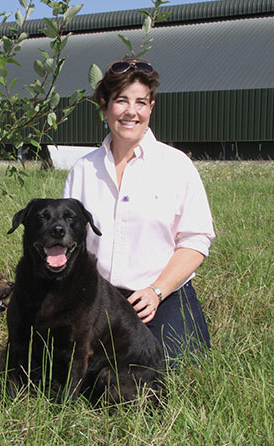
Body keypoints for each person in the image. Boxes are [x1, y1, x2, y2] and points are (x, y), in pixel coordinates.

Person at [63, 57, 215, 360]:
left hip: (163, 294)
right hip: (99, 296)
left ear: (151, 108)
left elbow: (196, 241)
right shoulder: (82, 170)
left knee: (169, 369)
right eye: (122, 101)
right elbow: (69, 243)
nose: (131, 111)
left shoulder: (176, 165)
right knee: (84, 374)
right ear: (105, 106)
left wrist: (157, 291)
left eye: (141, 102)